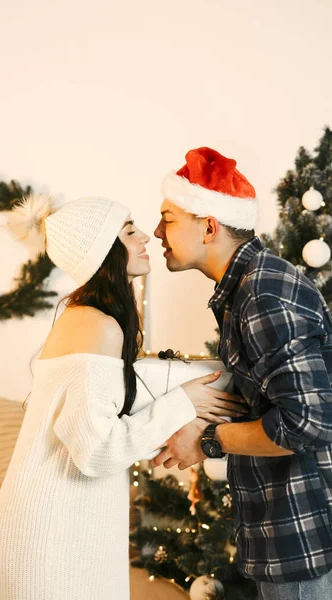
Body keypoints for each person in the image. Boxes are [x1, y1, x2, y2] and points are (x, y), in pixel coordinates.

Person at [0, 193, 245, 600]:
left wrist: (188, 412)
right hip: (48, 532)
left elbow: (111, 417)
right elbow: (96, 450)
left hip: (68, 525)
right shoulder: (95, 325)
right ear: (103, 252)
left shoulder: (96, 319)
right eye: (128, 231)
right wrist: (184, 403)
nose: (145, 236)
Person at [152, 146, 332, 600]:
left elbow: (308, 422)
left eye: (168, 219)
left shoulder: (261, 292)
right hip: (290, 536)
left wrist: (209, 440)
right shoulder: (248, 288)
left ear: (209, 226)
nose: (157, 232)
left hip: (306, 540)